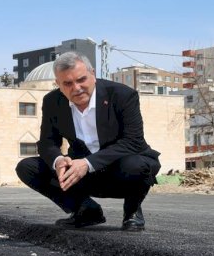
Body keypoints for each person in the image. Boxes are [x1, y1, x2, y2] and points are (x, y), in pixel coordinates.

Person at [16, 52, 161, 231]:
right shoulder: (52, 101)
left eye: (81, 79)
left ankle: (132, 212)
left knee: (137, 164)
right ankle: (85, 210)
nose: (76, 88)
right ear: (58, 84)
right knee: (27, 167)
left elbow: (133, 141)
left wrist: (88, 163)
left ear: (93, 74)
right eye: (67, 83)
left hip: (120, 170)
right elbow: (47, 143)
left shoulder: (122, 95)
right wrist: (59, 160)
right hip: (81, 174)